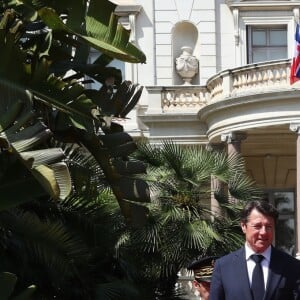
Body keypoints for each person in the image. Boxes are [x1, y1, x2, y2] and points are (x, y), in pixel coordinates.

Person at [210, 200, 300, 300]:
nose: (264, 232)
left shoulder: (292, 266)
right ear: (244, 226)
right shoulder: (223, 267)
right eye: (257, 226)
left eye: (269, 227)